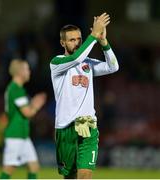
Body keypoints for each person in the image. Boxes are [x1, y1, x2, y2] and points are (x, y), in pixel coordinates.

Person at [50, 12, 119, 179]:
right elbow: (75, 58)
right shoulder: (56, 63)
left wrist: (103, 42)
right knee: (70, 176)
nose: (77, 42)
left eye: (79, 39)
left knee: (85, 176)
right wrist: (94, 35)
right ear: (62, 42)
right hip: (65, 127)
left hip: (87, 124)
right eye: (72, 40)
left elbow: (113, 67)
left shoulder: (87, 63)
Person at [0, 59, 47, 179]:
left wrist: (32, 103)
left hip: (22, 136)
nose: (29, 72)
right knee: (9, 169)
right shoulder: (16, 89)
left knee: (34, 167)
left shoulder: (15, 89)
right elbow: (27, 113)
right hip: (15, 136)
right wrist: (36, 105)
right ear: (20, 72)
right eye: (27, 69)